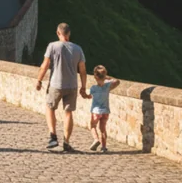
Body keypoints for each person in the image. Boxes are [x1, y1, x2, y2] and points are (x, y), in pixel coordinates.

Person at [36, 22, 89, 152]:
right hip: (72, 85)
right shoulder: (78, 49)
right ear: (69, 34)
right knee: (68, 112)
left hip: (56, 84)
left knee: (50, 108)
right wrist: (83, 87)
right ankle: (66, 141)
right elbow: (82, 70)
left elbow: (45, 65)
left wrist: (39, 80)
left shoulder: (52, 46)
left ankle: (53, 136)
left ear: (58, 33)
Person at [88, 65, 120, 152]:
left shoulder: (93, 88)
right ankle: (104, 147)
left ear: (95, 77)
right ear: (105, 75)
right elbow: (117, 81)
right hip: (105, 111)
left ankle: (96, 139)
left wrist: (85, 95)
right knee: (103, 129)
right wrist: (106, 77)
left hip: (96, 111)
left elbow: (89, 96)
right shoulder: (107, 86)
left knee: (92, 125)